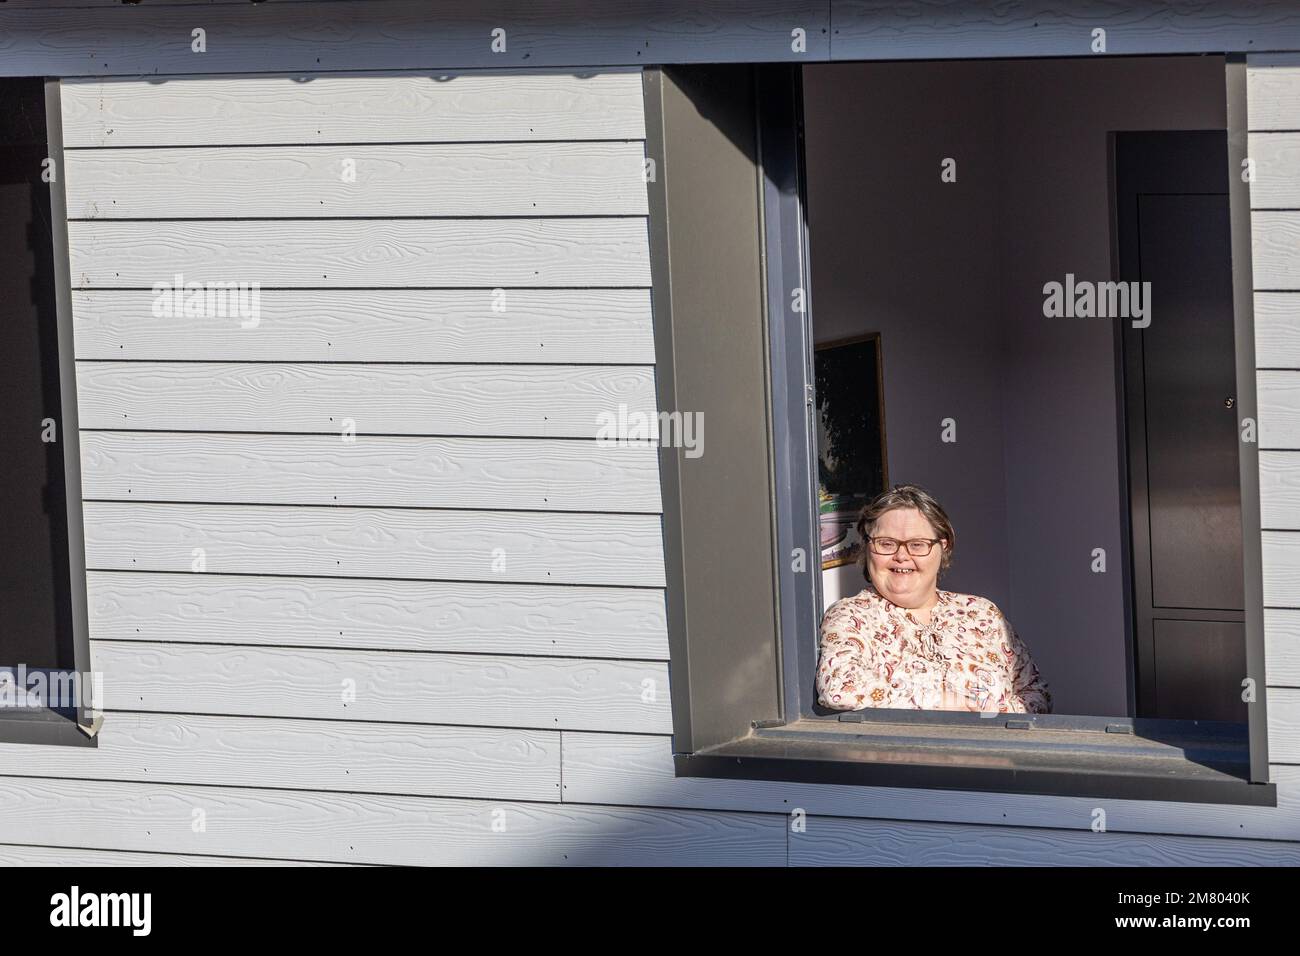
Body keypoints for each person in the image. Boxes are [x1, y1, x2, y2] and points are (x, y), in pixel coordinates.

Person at [815, 483, 1052, 714]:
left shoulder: (982, 614)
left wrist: (990, 714)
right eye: (886, 544)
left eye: (917, 545)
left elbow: (1037, 694)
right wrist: (939, 702)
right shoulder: (851, 616)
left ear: (943, 547)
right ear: (868, 547)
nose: (901, 556)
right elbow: (838, 688)